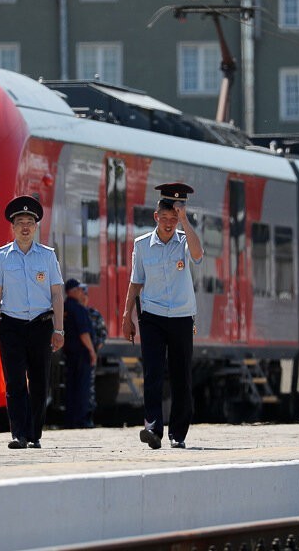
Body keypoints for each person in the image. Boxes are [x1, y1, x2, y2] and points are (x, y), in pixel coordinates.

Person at [121, 182, 203, 450]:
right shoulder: (142, 245)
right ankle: (153, 427)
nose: (169, 223)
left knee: (181, 377)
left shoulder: (183, 242)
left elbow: (199, 254)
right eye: (165, 218)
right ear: (156, 217)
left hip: (181, 316)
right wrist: (127, 316)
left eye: (173, 218)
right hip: (153, 316)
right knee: (153, 372)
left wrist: (185, 221)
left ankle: (177, 434)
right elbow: (136, 282)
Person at [0, 195, 65, 449]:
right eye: (20, 222)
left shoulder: (47, 256)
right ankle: (18, 433)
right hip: (11, 327)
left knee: (39, 383)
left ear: (37, 226)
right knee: (15, 382)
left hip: (40, 326)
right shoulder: (2, 257)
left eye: (30, 222)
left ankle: (34, 434)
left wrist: (59, 329)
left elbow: (56, 294)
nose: (25, 227)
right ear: (13, 227)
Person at [62, 278, 97, 428]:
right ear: (73, 291)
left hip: (69, 353)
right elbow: (84, 333)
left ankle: (71, 419)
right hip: (82, 354)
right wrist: (92, 351)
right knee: (82, 387)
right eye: (80, 290)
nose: (82, 292)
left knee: (71, 387)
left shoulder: (64, 307)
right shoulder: (78, 309)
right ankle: (82, 419)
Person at [86, 299, 108, 426]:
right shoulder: (77, 312)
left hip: (90, 356)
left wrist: (94, 350)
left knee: (90, 388)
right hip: (77, 356)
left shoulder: (93, 313)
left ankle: (89, 418)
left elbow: (103, 334)